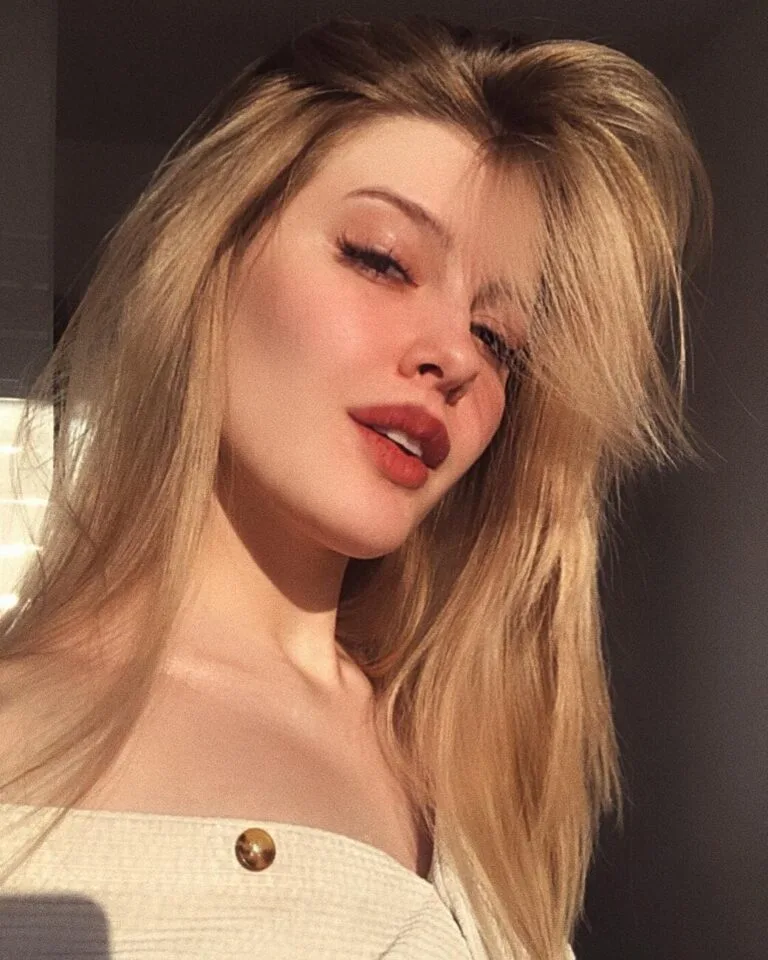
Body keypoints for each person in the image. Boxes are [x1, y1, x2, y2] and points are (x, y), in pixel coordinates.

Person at [0, 14, 710, 960]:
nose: (456, 355)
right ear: (209, 260)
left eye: (499, 340)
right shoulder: (20, 733)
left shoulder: (480, 786)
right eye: (381, 259)